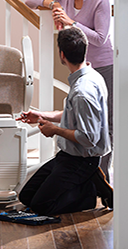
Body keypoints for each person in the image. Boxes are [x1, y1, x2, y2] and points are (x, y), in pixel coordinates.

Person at [25, 0, 114, 182]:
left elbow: (101, 38)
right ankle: (81, 175)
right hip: (79, 65)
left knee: (105, 123)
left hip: (103, 65)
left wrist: (70, 22)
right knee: (78, 117)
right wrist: (52, 2)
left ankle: (101, 179)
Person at [17, 27, 113, 215]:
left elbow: (88, 138)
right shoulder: (91, 76)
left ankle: (89, 194)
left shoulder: (82, 92)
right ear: (85, 50)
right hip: (68, 156)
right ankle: (89, 181)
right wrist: (42, 116)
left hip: (82, 160)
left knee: (40, 206)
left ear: (62, 55)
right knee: (26, 196)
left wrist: (55, 130)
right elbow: (75, 115)